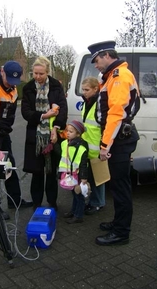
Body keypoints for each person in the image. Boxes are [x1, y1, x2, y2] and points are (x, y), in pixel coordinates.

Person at [87, 40, 140, 245]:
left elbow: (116, 114)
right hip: (119, 139)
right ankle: (118, 222)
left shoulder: (119, 77)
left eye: (97, 60)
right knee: (118, 186)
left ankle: (121, 233)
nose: (96, 65)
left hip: (119, 140)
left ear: (107, 56)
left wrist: (104, 146)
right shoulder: (111, 77)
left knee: (121, 187)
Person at [0, 60, 33, 219]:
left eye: (15, 81)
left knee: (9, 166)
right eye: (9, 79)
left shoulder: (12, 85)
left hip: (3, 131)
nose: (11, 84)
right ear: (2, 71)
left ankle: (14, 200)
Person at [21, 56, 68, 211]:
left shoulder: (56, 86)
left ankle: (52, 202)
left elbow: (62, 108)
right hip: (35, 135)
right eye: (35, 73)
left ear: (47, 72)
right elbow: (26, 112)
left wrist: (56, 127)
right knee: (37, 172)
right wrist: (43, 116)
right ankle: (36, 203)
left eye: (41, 74)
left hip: (52, 135)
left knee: (51, 170)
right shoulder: (28, 88)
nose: (38, 77)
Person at [81, 77, 106, 214]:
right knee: (92, 177)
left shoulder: (99, 104)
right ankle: (93, 202)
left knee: (99, 178)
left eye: (86, 90)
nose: (84, 92)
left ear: (95, 89)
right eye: (83, 89)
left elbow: (103, 127)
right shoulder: (87, 103)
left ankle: (98, 203)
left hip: (96, 148)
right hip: (89, 146)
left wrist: (104, 146)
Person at [59, 120, 89, 224]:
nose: (67, 133)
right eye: (67, 130)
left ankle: (78, 216)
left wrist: (84, 178)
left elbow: (84, 164)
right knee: (74, 194)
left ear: (78, 134)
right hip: (70, 175)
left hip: (78, 175)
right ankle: (74, 211)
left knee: (79, 195)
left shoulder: (81, 146)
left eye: (71, 132)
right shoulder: (66, 143)